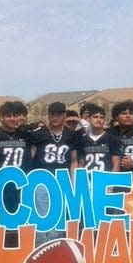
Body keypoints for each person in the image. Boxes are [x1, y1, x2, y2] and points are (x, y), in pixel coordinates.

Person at [29, 101, 79, 242]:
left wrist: (73, 182)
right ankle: (39, 249)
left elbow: (74, 160)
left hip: (61, 179)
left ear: (64, 116)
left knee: (58, 216)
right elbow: (30, 159)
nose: (55, 117)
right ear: (48, 115)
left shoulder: (71, 135)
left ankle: (53, 248)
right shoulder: (38, 134)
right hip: (41, 178)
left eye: (59, 114)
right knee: (41, 215)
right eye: (52, 115)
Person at [78, 104, 120, 172]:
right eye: (95, 117)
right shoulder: (82, 140)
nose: (99, 120)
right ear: (88, 119)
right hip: (88, 179)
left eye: (101, 117)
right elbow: (81, 164)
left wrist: (111, 180)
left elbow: (116, 165)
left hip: (105, 179)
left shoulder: (112, 139)